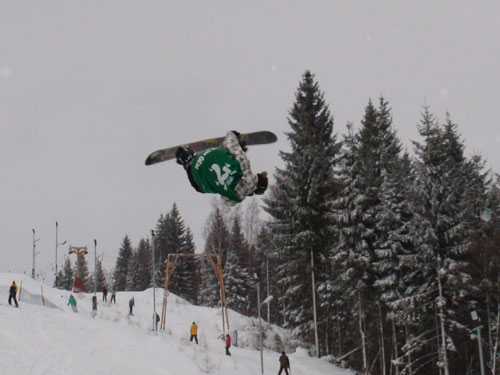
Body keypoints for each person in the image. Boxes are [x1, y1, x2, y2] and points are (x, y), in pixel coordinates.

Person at [175, 131, 268, 206]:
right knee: (202, 184)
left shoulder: (244, 164)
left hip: (210, 156)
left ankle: (188, 159)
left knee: (225, 154)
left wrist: (235, 138)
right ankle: (187, 162)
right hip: (199, 177)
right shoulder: (236, 195)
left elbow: (231, 141)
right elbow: (227, 201)